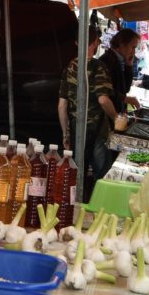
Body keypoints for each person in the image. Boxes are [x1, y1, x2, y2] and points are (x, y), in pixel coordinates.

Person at [58, 26, 119, 191]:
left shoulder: (69, 67)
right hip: (97, 131)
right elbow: (103, 100)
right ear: (95, 43)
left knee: (76, 179)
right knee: (103, 178)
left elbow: (62, 105)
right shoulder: (99, 67)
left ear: (77, 42)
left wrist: (66, 133)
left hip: (75, 130)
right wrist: (116, 119)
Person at [100, 28, 140, 117]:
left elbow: (125, 88)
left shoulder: (118, 60)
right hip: (107, 116)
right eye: (132, 47)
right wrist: (126, 99)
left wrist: (128, 66)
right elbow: (105, 91)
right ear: (122, 44)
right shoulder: (108, 60)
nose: (134, 52)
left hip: (114, 113)